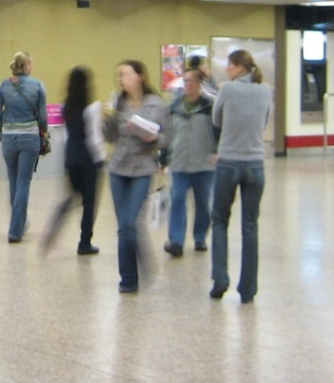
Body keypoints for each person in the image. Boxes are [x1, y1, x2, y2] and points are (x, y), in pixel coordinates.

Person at [210, 49, 271, 304]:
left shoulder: (227, 89)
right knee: (250, 225)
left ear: (238, 68)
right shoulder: (265, 90)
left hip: (229, 161)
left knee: (220, 220)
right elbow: (264, 122)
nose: (226, 70)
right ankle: (248, 288)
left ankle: (220, 277)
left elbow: (216, 119)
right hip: (255, 163)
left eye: (229, 66)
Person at [104, 59, 170, 293]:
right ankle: (128, 279)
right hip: (118, 169)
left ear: (140, 76)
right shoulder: (117, 104)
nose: (122, 79)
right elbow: (109, 137)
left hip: (143, 168)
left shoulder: (156, 104)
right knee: (123, 227)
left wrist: (155, 139)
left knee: (131, 222)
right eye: (119, 75)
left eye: (126, 74)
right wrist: (108, 118)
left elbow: (167, 138)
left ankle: (143, 259)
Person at [42, 66, 105, 255]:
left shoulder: (65, 107)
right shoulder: (92, 108)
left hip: (72, 155)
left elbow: (65, 136)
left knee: (71, 197)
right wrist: (101, 158)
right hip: (88, 158)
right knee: (89, 202)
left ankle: (55, 224)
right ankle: (84, 243)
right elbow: (94, 137)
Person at [0, 51, 48, 243]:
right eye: (31, 64)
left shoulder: (3, 85)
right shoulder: (38, 85)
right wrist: (44, 132)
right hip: (30, 137)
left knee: (13, 182)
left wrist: (3, 129)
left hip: (8, 137)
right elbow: (42, 115)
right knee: (24, 182)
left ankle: (21, 223)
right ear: (25, 66)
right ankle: (15, 230)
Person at [163, 67, 218, 256]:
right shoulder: (174, 106)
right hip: (179, 162)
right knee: (177, 200)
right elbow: (168, 134)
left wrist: (216, 151)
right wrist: (163, 158)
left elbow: (219, 132)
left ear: (200, 84)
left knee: (202, 203)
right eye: (185, 81)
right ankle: (176, 241)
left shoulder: (210, 106)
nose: (188, 85)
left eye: (192, 81)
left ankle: (200, 237)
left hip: (204, 164)